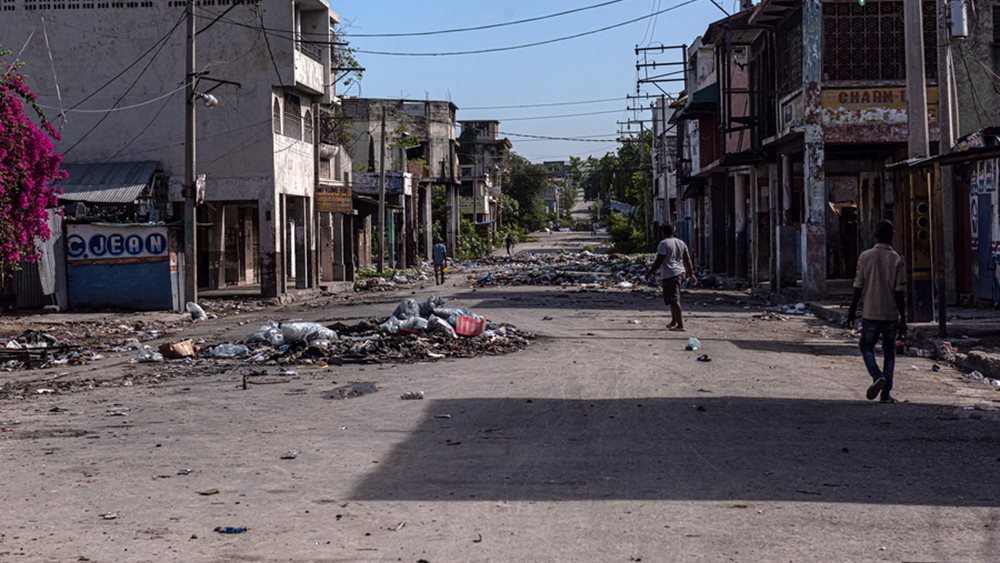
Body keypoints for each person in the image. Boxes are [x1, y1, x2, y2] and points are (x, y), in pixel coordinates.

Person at [847, 219, 907, 403]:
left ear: (875, 236)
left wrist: (852, 309)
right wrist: (903, 317)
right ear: (892, 236)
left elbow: (858, 286)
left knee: (866, 347)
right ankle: (886, 394)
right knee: (890, 352)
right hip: (890, 314)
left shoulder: (865, 257)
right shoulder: (896, 259)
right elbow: (899, 292)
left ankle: (876, 375)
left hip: (870, 312)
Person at [646, 224, 697, 331]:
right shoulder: (681, 242)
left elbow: (659, 260)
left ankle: (680, 325)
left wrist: (650, 272)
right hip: (680, 272)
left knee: (674, 299)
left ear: (663, 233)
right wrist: (691, 274)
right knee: (673, 298)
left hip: (670, 273)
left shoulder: (663, 243)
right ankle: (674, 321)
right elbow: (687, 259)